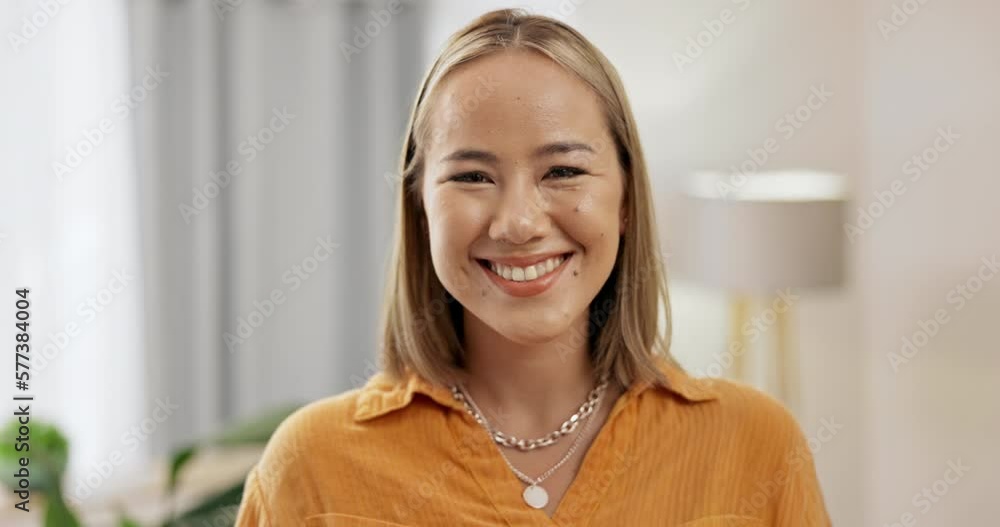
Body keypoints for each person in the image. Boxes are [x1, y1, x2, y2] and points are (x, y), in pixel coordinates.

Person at [235, 8, 831, 526]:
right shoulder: (311, 467)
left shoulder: (755, 446)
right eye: (471, 177)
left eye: (563, 171)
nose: (518, 222)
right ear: (420, 206)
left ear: (625, 198)